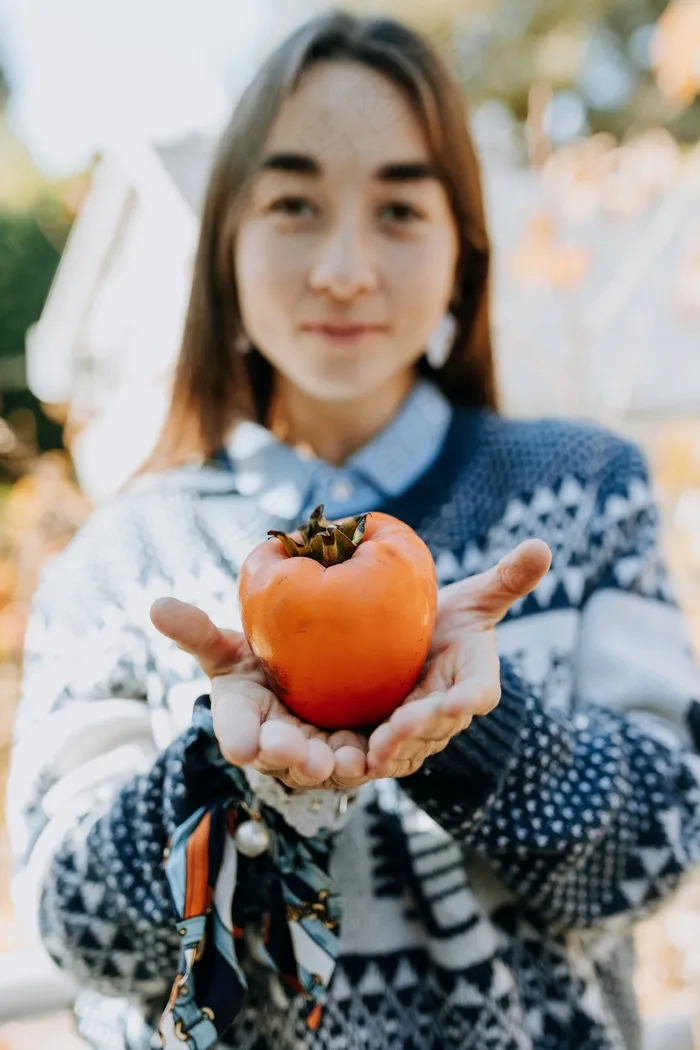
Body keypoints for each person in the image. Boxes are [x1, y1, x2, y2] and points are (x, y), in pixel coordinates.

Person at [7, 10, 700, 1050]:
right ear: (224, 247)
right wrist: (232, 777)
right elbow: (80, 930)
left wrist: (476, 734)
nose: (343, 267)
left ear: (463, 254)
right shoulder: (119, 563)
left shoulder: (585, 492)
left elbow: (664, 846)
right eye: (294, 204)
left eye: (399, 209)